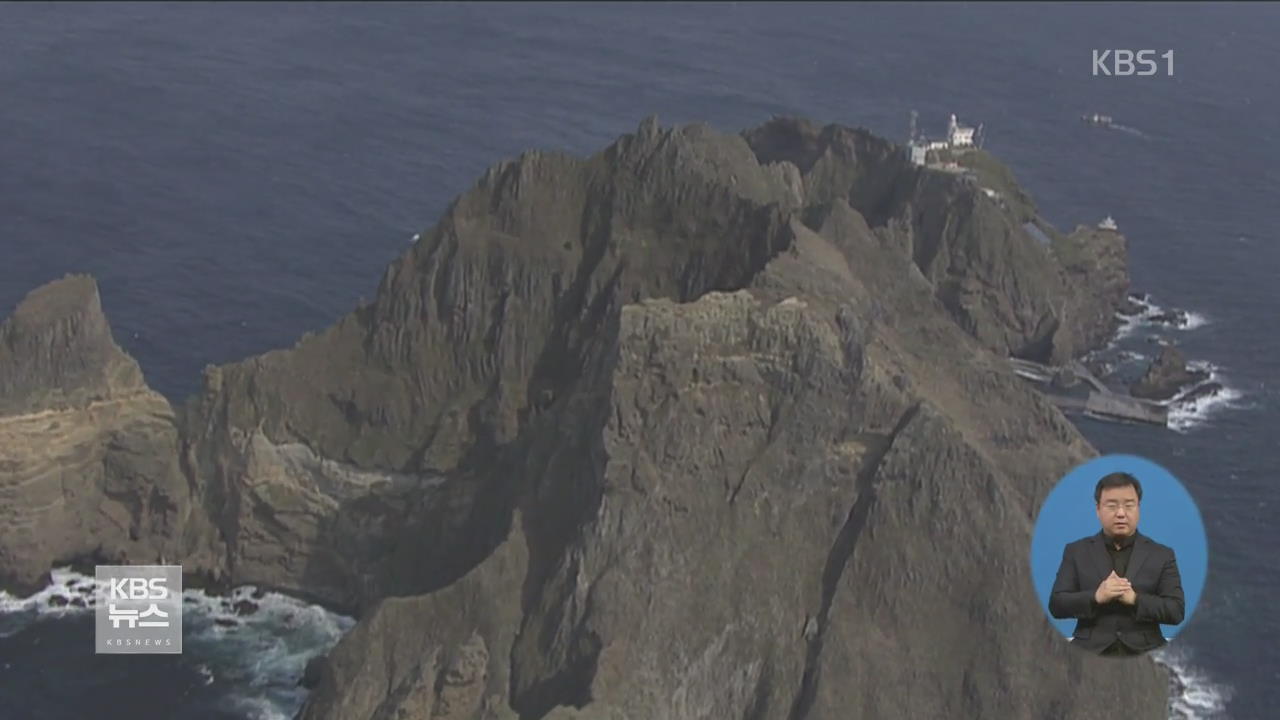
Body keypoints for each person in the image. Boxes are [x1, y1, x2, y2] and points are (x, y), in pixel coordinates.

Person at [1048, 472, 1185, 656]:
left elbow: (1176, 611)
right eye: (1112, 506)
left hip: (1146, 653)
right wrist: (1096, 597)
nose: (1121, 513)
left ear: (1138, 508)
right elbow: (1057, 605)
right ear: (1098, 509)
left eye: (1129, 506)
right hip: (1089, 652)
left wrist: (1135, 600)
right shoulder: (1076, 551)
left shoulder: (1162, 554)